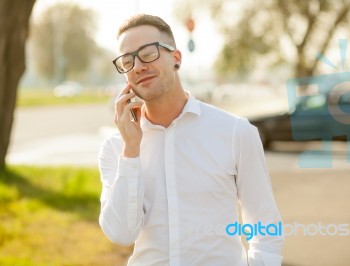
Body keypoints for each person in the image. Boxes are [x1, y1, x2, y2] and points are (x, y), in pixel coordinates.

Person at [98, 14, 284, 266]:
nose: (138, 66)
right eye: (127, 60)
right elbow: (121, 234)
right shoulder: (116, 147)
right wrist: (131, 151)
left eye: (148, 53)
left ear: (176, 58)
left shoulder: (235, 132)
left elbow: (265, 224)